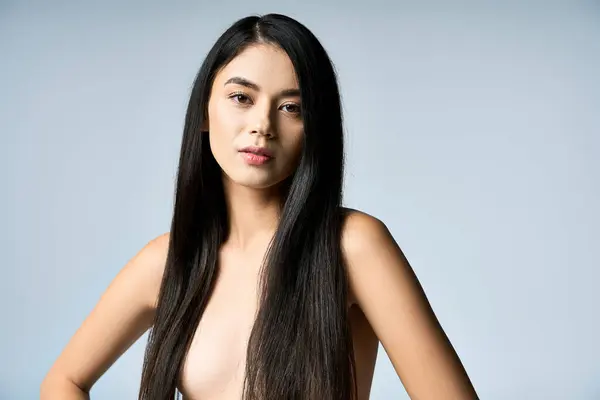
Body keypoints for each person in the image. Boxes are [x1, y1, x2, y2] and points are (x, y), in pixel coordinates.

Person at [40, 13, 478, 400]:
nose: (262, 126)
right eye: (241, 98)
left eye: (291, 107)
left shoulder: (353, 247)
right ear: (205, 114)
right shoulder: (168, 261)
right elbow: (64, 381)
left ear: (315, 129)